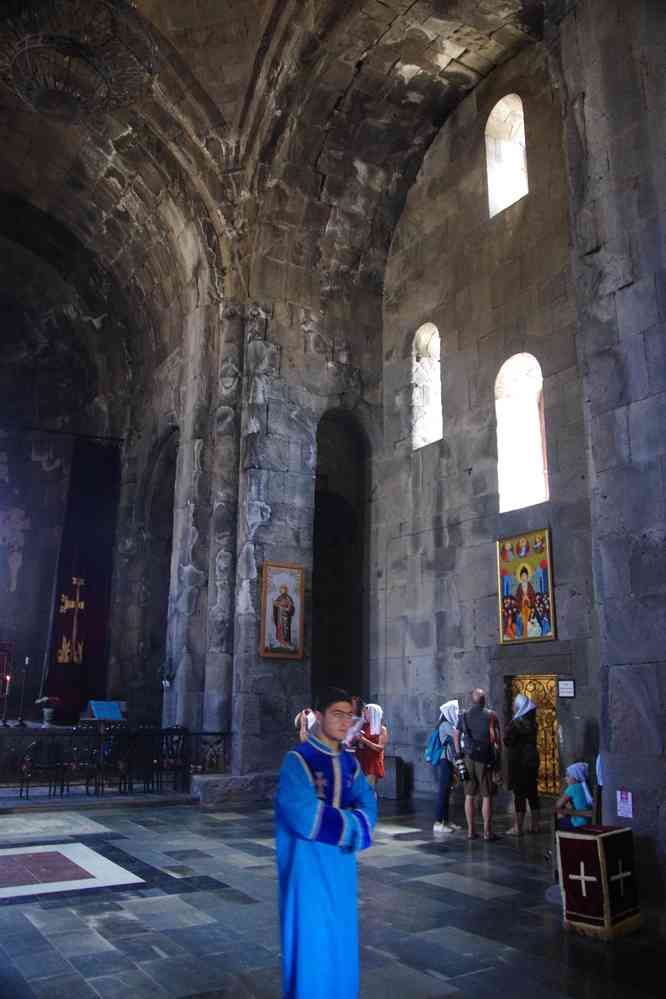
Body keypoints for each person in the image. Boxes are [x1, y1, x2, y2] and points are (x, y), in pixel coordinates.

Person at [275, 687, 377, 999]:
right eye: (337, 714)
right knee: (313, 942)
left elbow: (369, 803)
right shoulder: (298, 761)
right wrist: (352, 822)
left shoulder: (350, 764)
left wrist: (352, 819)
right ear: (318, 716)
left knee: (341, 939)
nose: (346, 722)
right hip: (308, 871)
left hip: (342, 870)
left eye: (350, 715)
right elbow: (304, 817)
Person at [453, 688, 501, 841]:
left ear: (472, 700)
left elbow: (456, 734)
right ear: (484, 700)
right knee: (487, 795)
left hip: (468, 757)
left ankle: (471, 831)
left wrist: (458, 752)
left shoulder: (464, 715)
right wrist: (497, 758)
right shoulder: (491, 715)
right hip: (484, 758)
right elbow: (495, 738)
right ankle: (487, 832)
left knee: (469, 795)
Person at [504, 693, 540, 835]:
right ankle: (535, 825)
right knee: (532, 793)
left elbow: (507, 741)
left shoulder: (516, 723)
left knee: (519, 794)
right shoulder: (533, 722)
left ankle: (518, 827)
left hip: (519, 762)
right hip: (532, 761)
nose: (513, 707)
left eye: (515, 705)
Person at [433, 699, 460, 836]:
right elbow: (457, 736)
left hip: (449, 760)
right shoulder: (445, 725)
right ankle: (438, 822)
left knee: (447, 792)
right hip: (445, 760)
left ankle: (447, 821)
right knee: (443, 792)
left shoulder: (447, 724)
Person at [356, 702, 388, 787]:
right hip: (361, 761)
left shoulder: (381, 729)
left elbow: (380, 748)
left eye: (367, 712)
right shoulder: (362, 726)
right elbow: (360, 745)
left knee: (368, 789)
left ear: (374, 714)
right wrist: (358, 740)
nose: (364, 714)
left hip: (372, 764)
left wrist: (364, 740)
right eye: (364, 712)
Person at [555, 762, 593, 830]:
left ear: (575, 776)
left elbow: (557, 805)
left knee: (558, 818)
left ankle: (562, 839)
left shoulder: (573, 788)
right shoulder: (587, 786)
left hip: (578, 824)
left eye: (568, 775)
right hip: (591, 823)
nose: (565, 778)